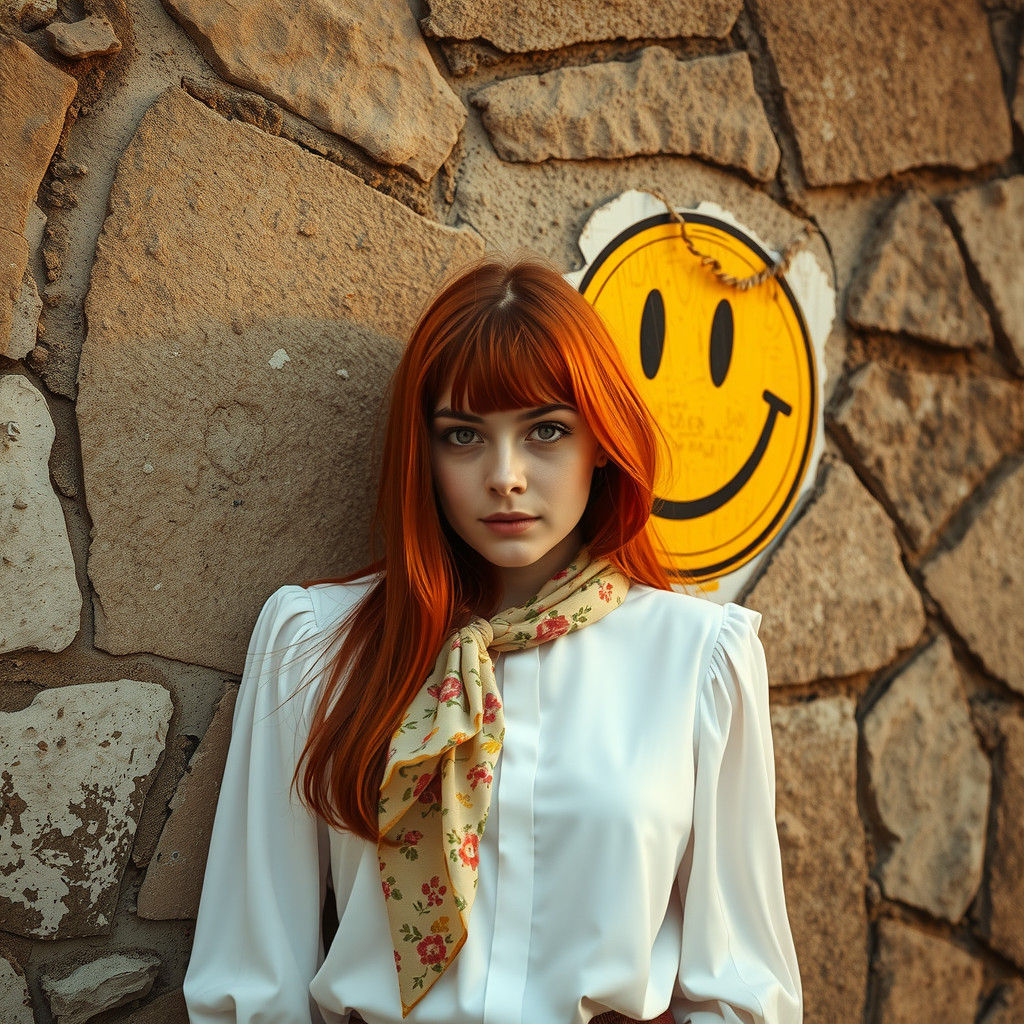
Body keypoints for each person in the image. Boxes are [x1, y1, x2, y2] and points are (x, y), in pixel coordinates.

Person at [182, 253, 802, 1024]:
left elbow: (741, 987)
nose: (505, 475)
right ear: (426, 451)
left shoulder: (700, 659)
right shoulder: (315, 645)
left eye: (546, 430)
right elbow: (253, 978)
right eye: (464, 436)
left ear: (601, 440)